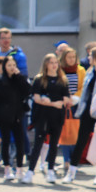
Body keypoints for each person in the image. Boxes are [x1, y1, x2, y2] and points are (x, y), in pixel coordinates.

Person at [64, 46, 96, 184]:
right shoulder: (89, 72)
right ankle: (71, 173)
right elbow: (85, 93)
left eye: (90, 56)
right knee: (81, 141)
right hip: (87, 112)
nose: (88, 58)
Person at [27, 54, 70, 183]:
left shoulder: (62, 80)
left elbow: (66, 99)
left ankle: (50, 170)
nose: (54, 65)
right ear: (46, 64)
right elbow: (37, 99)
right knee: (38, 144)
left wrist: (62, 102)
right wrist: (51, 103)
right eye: (51, 62)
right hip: (43, 117)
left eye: (55, 62)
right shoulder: (39, 79)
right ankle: (30, 171)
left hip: (57, 117)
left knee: (53, 144)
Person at [0, 55, 31, 182]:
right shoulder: (0, 82)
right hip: (4, 116)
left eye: (14, 65)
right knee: (6, 142)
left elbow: (27, 91)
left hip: (18, 115)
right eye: (9, 65)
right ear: (4, 67)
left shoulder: (19, 79)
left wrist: (19, 76)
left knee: (20, 142)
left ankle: (19, 168)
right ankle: (7, 169)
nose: (12, 68)